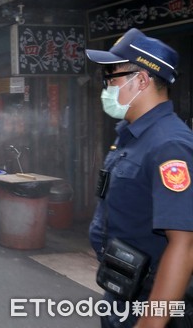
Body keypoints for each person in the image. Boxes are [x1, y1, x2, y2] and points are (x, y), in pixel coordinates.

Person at [86, 28, 193, 327]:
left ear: (142, 80)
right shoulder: (131, 137)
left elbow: (184, 245)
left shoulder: (170, 146)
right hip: (121, 293)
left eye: (112, 77)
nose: (106, 87)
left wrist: (150, 322)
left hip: (150, 305)